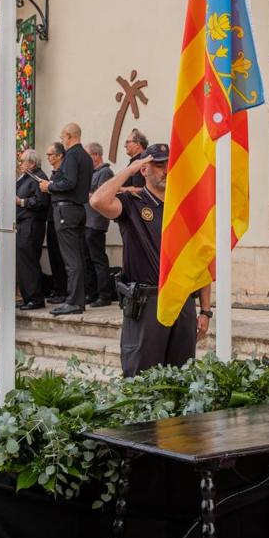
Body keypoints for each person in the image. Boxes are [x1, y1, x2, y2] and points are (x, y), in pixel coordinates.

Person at [89, 143, 211, 376]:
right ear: (144, 169)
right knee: (141, 377)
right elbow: (98, 201)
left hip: (181, 300)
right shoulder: (132, 204)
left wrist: (205, 310)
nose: (166, 169)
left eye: (169, 164)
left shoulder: (184, 208)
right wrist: (130, 170)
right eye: (158, 164)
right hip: (147, 303)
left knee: (181, 375)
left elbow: (201, 259)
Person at [41, 124, 94, 316]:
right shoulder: (86, 157)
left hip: (66, 210)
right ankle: (78, 300)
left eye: (63, 137)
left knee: (71, 259)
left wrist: (50, 186)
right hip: (78, 209)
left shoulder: (72, 155)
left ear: (70, 136)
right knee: (77, 257)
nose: (62, 140)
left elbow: (69, 182)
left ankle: (73, 301)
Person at [16, 149, 50, 311]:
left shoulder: (39, 177)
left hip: (32, 223)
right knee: (22, 262)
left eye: (23, 161)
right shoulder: (25, 178)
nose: (20, 164)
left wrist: (21, 202)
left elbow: (41, 201)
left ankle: (35, 298)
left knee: (29, 261)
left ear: (32, 163)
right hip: (21, 223)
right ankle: (27, 296)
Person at [85, 142, 115, 308]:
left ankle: (104, 295)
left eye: (88, 156)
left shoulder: (105, 172)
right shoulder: (93, 173)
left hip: (96, 222)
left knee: (98, 259)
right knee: (88, 259)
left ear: (96, 155)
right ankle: (92, 293)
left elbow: (101, 195)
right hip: (87, 221)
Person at [43, 143, 68, 303]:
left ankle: (63, 291)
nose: (48, 158)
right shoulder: (54, 173)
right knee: (54, 256)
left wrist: (49, 187)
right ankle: (58, 289)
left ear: (59, 155)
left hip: (61, 217)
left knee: (61, 257)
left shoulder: (63, 172)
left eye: (50, 154)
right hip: (51, 218)